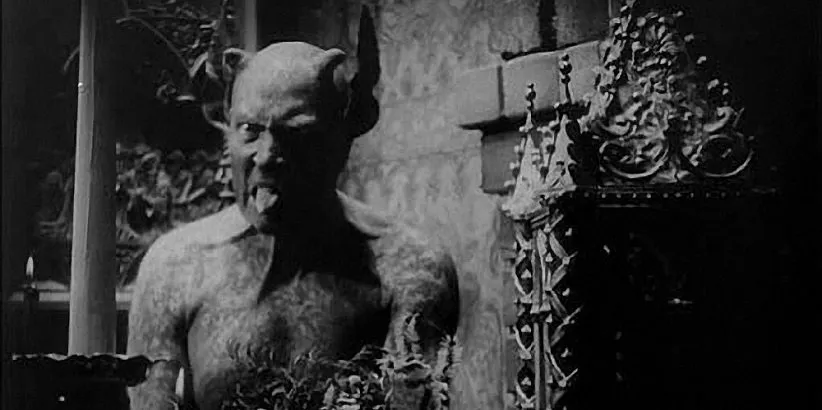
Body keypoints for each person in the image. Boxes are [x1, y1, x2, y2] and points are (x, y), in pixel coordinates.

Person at [126, 42, 460, 410]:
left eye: (297, 134)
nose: (267, 155)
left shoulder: (407, 267)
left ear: (341, 142)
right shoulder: (176, 269)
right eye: (250, 130)